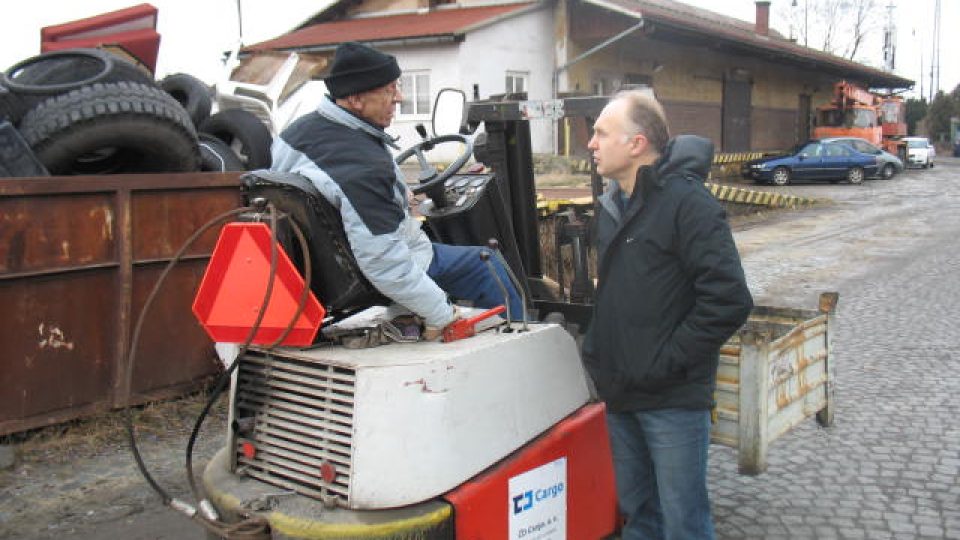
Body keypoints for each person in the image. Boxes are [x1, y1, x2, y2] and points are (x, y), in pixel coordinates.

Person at [582, 90, 753, 539]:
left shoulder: (688, 204)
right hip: (621, 393)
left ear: (636, 143)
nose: (591, 144)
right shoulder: (613, 206)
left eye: (601, 133)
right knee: (639, 516)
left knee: (683, 523)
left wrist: (665, 362)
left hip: (671, 399)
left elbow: (729, 299)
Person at [269, 41, 522, 339]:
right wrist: (442, 314)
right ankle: (521, 340)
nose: (399, 98)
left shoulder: (295, 134)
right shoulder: (365, 165)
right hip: (372, 270)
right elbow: (385, 263)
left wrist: (398, 194)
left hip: (325, 266)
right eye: (389, 90)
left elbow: (338, 190)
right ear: (355, 98)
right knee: (486, 263)